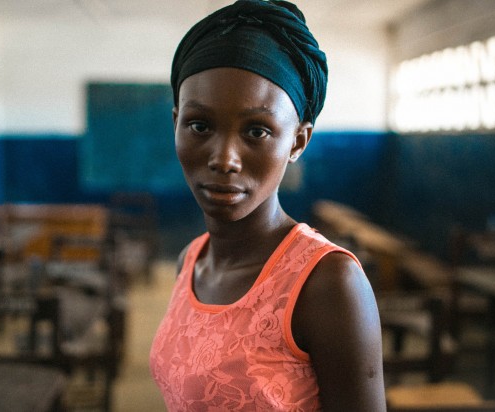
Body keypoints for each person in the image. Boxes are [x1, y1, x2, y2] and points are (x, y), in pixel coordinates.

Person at [149, 1, 385, 410]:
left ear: (297, 141)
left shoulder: (328, 284)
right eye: (200, 125)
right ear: (175, 124)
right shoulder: (190, 261)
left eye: (256, 130)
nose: (224, 158)